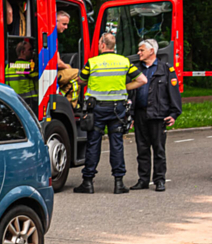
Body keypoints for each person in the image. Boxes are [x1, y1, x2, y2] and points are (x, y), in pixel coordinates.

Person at [73, 32, 147, 195]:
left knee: (93, 144)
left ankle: (88, 182)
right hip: (118, 109)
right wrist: (124, 88)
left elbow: (80, 80)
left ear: (102, 45)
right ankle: (119, 183)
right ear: (114, 46)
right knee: (117, 144)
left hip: (97, 109)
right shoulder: (124, 62)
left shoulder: (92, 62)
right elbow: (142, 80)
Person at [130, 38, 182, 192]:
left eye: (142, 50)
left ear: (151, 51)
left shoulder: (165, 69)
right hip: (140, 114)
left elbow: (173, 93)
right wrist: (130, 115)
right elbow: (132, 93)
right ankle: (143, 180)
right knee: (142, 149)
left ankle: (159, 180)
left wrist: (174, 113)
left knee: (158, 149)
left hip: (158, 115)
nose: (138, 53)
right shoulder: (136, 70)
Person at [54, 11, 81, 97]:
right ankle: (67, 102)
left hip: (52, 72)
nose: (66, 27)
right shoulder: (51, 36)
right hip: (51, 73)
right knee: (79, 75)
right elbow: (57, 63)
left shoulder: (53, 36)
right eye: (64, 24)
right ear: (55, 21)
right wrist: (67, 67)